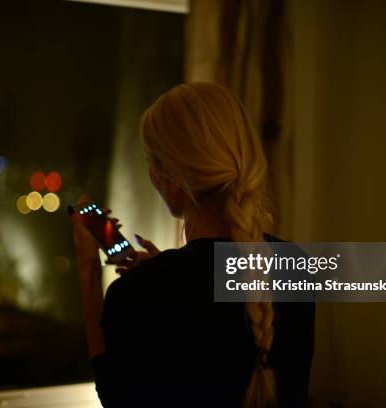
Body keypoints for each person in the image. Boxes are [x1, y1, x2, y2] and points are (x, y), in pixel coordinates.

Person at [70, 82, 315, 407]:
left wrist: (88, 272)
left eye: (151, 161)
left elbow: (116, 398)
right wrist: (166, 271)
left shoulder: (140, 293)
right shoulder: (295, 266)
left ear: (170, 176)